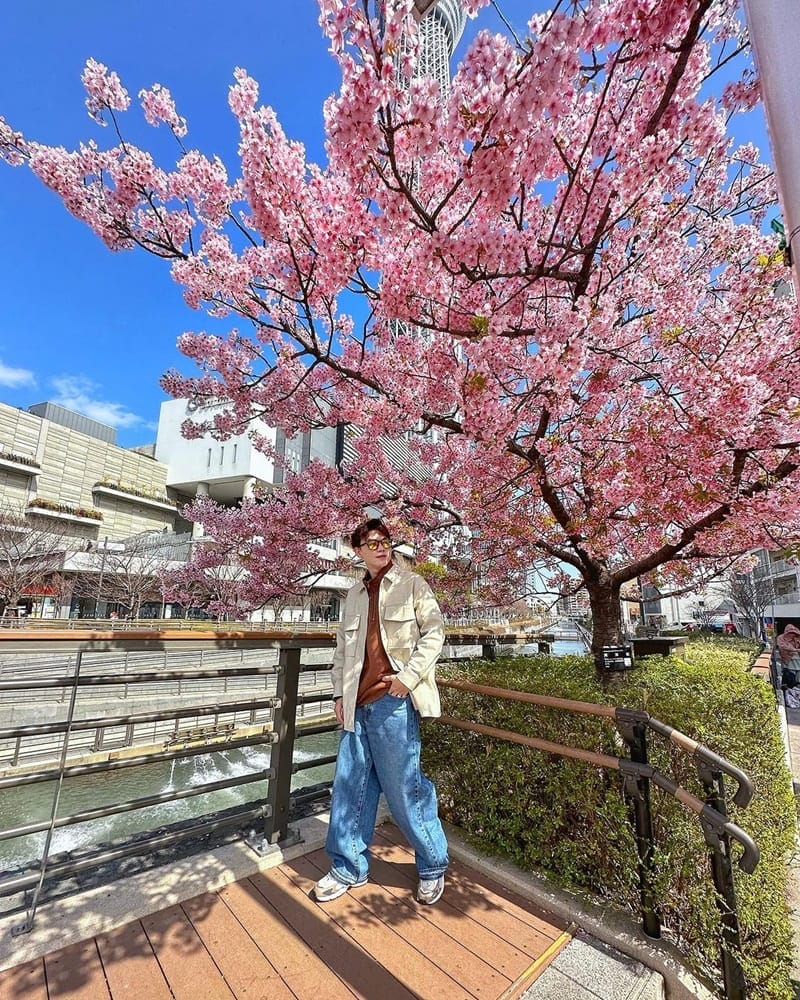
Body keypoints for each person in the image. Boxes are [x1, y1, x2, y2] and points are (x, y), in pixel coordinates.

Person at [314, 517, 449, 906]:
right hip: (357, 704)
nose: (380, 547)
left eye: (385, 540)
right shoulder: (353, 595)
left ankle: (432, 865)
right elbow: (342, 652)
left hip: (394, 702)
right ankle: (348, 867)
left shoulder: (412, 584)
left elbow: (435, 632)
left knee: (406, 788)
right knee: (350, 788)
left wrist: (406, 678)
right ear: (357, 551)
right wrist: (340, 697)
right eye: (371, 542)